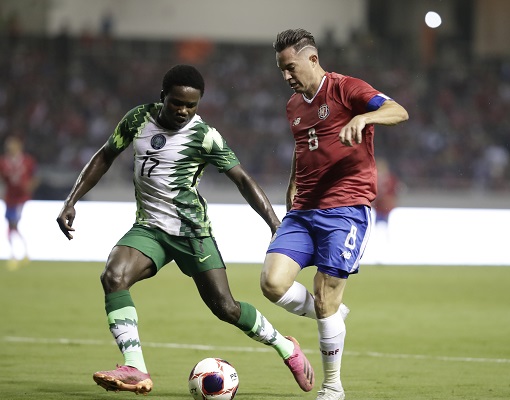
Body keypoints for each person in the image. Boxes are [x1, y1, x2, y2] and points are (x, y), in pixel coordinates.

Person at [56, 64, 314, 395]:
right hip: (149, 228)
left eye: (191, 105)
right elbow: (105, 156)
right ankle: (134, 367)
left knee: (226, 308)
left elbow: (243, 179)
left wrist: (275, 224)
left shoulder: (205, 136)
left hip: (192, 232)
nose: (183, 111)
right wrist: (71, 200)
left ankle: (286, 348)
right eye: (177, 102)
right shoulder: (138, 119)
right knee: (113, 276)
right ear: (163, 97)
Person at [260, 29, 409, 400]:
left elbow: (398, 110)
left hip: (345, 209)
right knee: (272, 284)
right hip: (303, 209)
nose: (286, 77)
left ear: (312, 59)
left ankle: (332, 387)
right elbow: (302, 147)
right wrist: (292, 184)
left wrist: (364, 120)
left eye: (290, 67)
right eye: (281, 69)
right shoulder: (293, 106)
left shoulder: (347, 88)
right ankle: (331, 316)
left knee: (325, 294)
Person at [0, 135, 38, 269]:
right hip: (9, 198)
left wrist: (30, 187)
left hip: (22, 198)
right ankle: (18, 254)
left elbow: (35, 177)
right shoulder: (3, 162)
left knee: (14, 224)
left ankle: (18, 254)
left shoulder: (27, 161)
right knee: (11, 226)